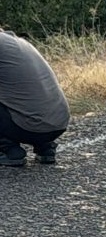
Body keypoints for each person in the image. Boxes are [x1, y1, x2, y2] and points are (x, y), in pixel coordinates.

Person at [0, 30, 70, 166]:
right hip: (57, 123)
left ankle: (8, 149)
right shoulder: (16, 42)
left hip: (29, 126)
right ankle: (45, 146)